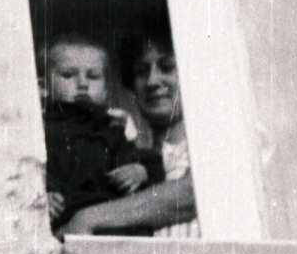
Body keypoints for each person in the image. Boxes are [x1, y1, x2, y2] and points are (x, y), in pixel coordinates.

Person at [62, 13, 198, 236]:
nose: (153, 81)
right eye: (142, 71)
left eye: (166, 67)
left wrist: (88, 218)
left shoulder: (224, 137)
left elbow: (192, 194)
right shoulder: (132, 157)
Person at [41, 35, 162, 235]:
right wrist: (41, 195)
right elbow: (30, 170)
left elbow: (147, 159)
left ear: (106, 90)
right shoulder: (42, 129)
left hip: (112, 224)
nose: (82, 83)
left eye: (93, 76)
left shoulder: (113, 127)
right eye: (68, 75)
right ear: (44, 87)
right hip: (65, 223)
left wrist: (140, 171)